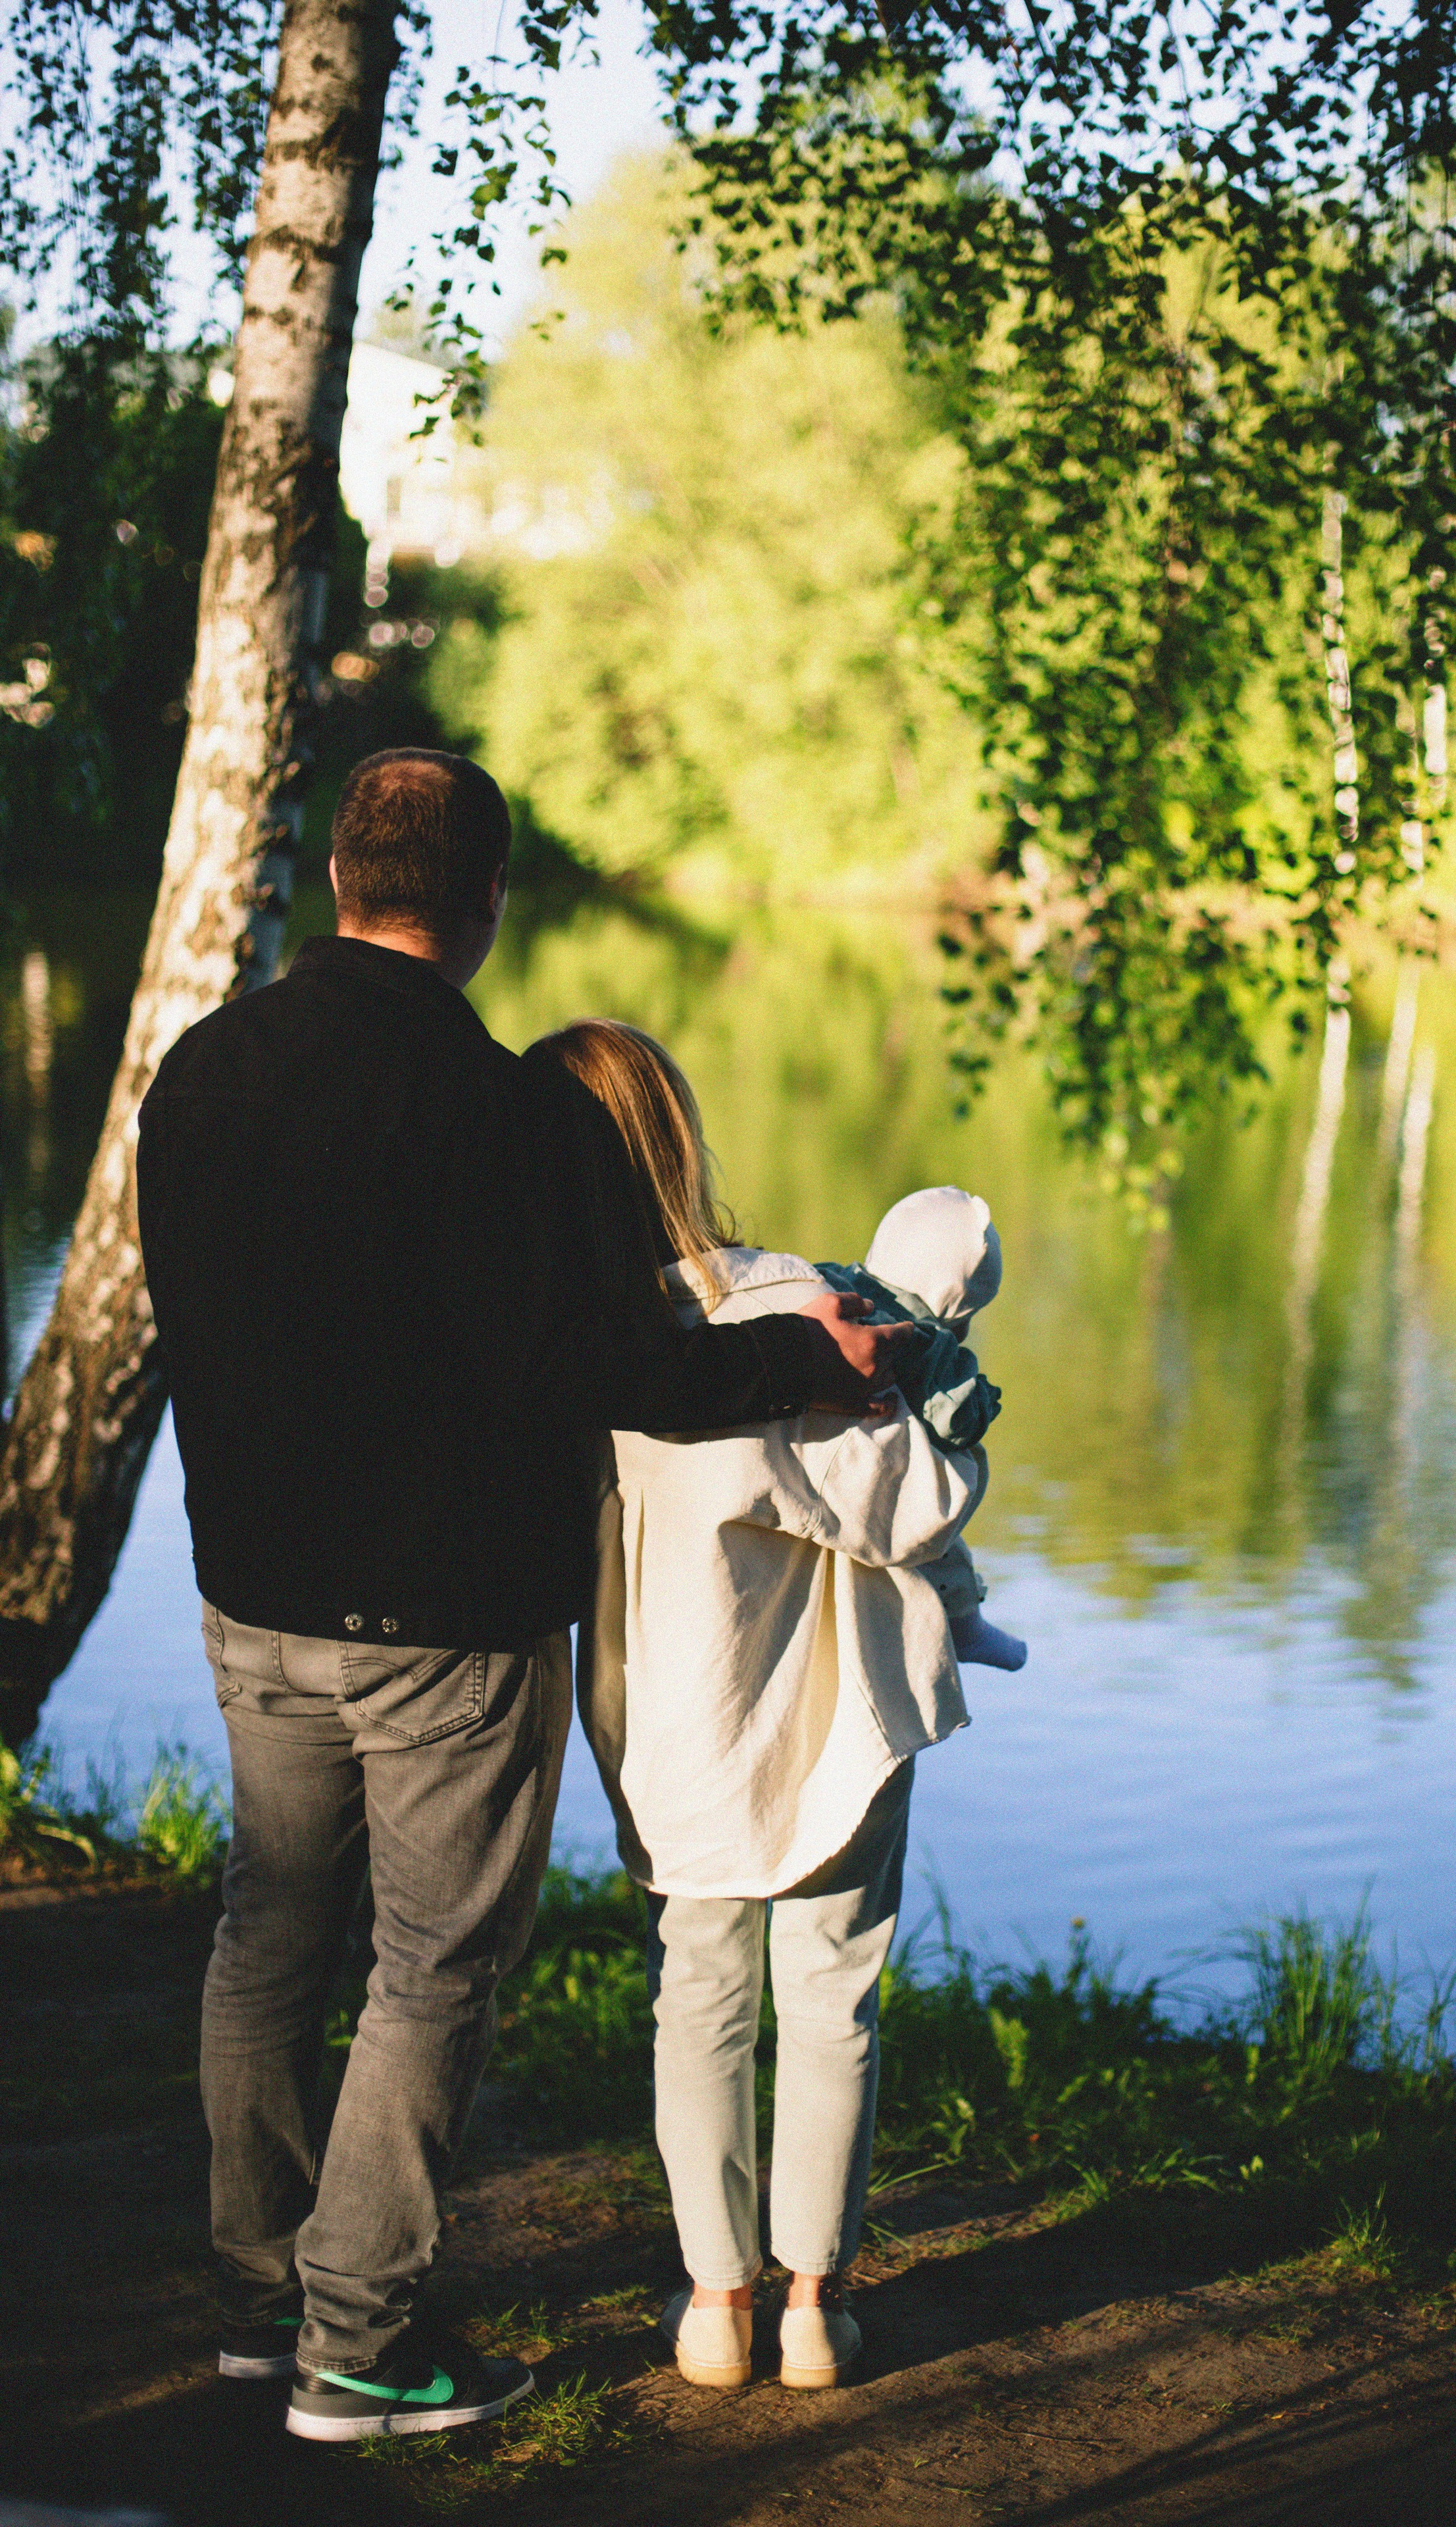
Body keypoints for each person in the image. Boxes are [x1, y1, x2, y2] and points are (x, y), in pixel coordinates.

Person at [135, 750, 903, 2445]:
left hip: (251, 1597)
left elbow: (177, 1314)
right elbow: (601, 1364)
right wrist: (810, 1356)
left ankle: (259, 2301)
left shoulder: (200, 1073)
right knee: (430, 1966)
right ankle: (358, 2344)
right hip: (444, 1621)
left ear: (338, 879)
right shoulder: (504, 1115)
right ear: (487, 901)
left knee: (267, 1933)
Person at [538, 1018, 989, 2394]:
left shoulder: (575, 1349)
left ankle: (712, 2307)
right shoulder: (802, 1305)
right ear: (678, 1140)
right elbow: (915, 1487)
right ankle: (811, 2306)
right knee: (833, 1997)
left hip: (682, 1720)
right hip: (837, 1720)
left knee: (700, 1997)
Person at [816, 1184, 1028, 1672]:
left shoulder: (830, 1282)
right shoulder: (925, 1345)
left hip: (828, 1456)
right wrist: (982, 1397)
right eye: (969, 1316)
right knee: (947, 1522)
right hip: (884, 1490)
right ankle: (965, 1627)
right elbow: (956, 1422)